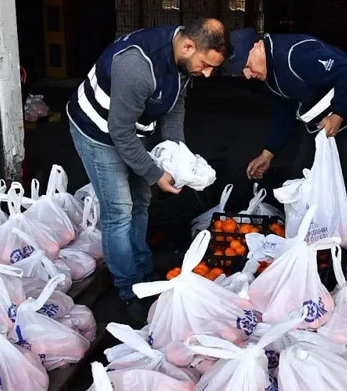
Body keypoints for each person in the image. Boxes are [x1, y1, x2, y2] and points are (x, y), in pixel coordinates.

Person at [67, 18, 228, 323]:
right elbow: (119, 132)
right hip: (98, 131)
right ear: (188, 46)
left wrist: (176, 156)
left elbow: (174, 109)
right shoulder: (138, 67)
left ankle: (142, 267)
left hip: (132, 129)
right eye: (205, 64)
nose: (207, 74)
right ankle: (129, 289)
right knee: (120, 210)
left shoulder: (183, 62)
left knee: (141, 201)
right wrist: (156, 174)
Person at [227, 28, 347, 230]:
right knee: (299, 182)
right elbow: (284, 114)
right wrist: (268, 154)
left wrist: (339, 113)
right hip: (320, 125)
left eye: (247, 65)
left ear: (258, 46)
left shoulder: (296, 55)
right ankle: (312, 245)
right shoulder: (267, 76)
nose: (248, 75)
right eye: (243, 71)